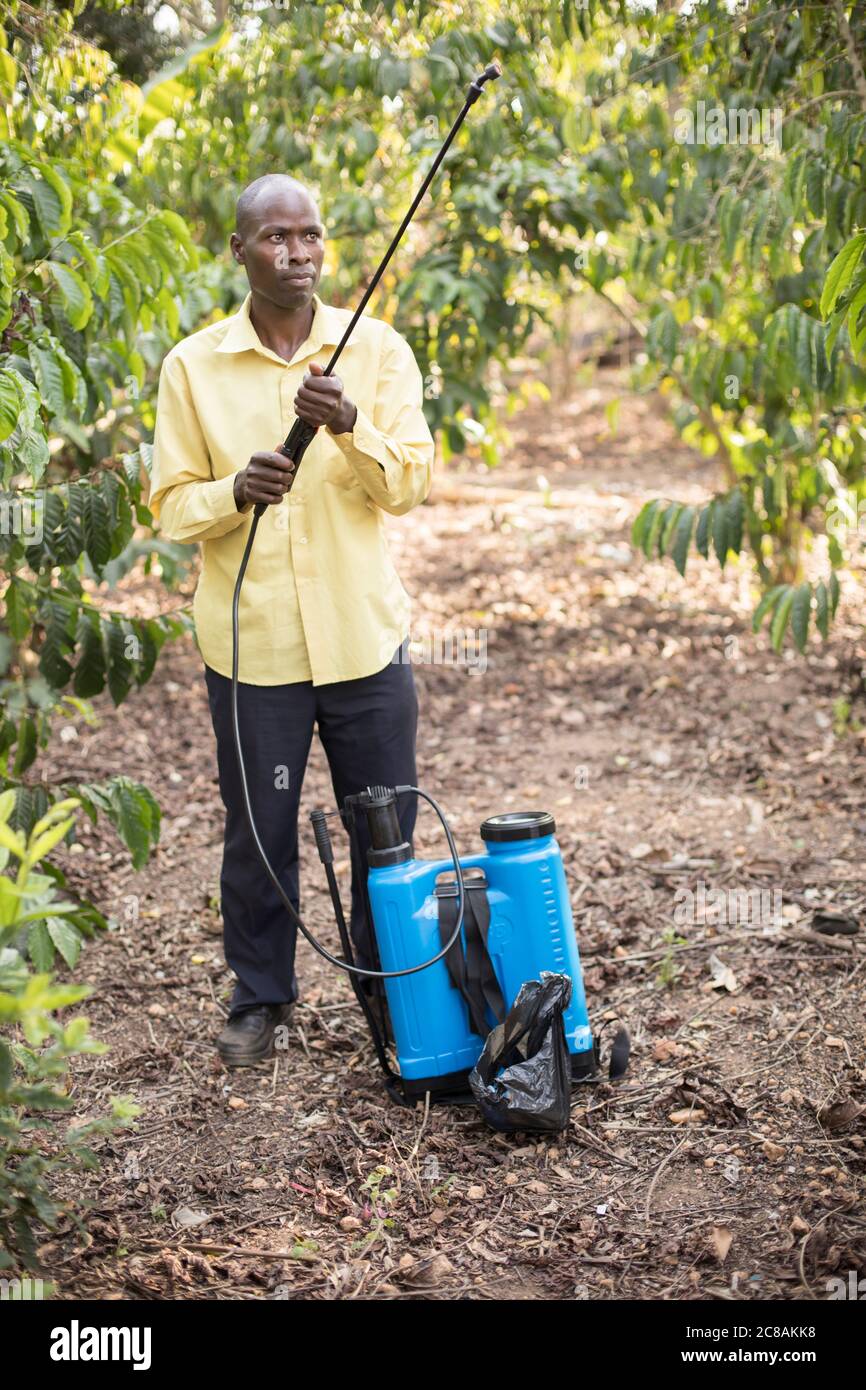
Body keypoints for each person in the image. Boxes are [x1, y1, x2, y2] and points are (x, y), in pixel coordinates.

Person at [149, 173, 434, 1066]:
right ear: (239, 249)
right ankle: (262, 999)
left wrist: (349, 423)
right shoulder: (193, 366)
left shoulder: (376, 351)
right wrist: (235, 491)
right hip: (254, 649)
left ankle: (393, 1000)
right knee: (259, 833)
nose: (297, 253)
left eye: (309, 236)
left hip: (361, 641)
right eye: (275, 238)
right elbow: (166, 506)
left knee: (383, 830)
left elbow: (411, 485)